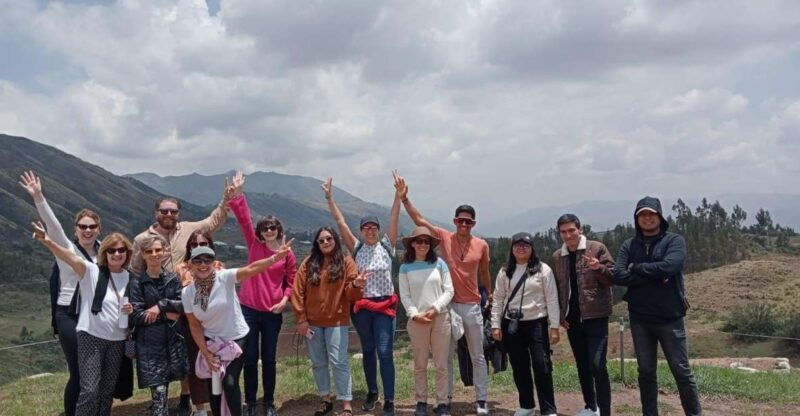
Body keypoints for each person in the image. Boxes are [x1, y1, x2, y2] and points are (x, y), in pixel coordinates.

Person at [395, 173, 492, 414]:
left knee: (477, 354)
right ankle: (444, 400)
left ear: (474, 224)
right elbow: (419, 219)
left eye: (468, 222)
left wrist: (488, 294)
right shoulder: (444, 237)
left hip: (470, 304)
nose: (463, 225)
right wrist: (405, 199)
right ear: (454, 221)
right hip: (446, 308)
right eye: (460, 220)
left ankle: (481, 399)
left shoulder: (481, 245)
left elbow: (485, 273)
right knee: (445, 358)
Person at [18, 170, 102, 416]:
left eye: (92, 226)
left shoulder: (107, 252)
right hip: (69, 314)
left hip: (94, 314)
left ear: (99, 229)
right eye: (83, 226)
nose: (87, 230)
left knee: (94, 372)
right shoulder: (66, 249)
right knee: (79, 370)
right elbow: (53, 227)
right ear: (75, 229)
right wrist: (38, 197)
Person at [31, 222, 134, 416]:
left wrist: (131, 310)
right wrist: (47, 241)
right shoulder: (91, 271)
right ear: (105, 252)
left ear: (127, 253)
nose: (117, 254)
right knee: (90, 390)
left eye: (121, 250)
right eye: (111, 250)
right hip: (91, 338)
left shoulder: (130, 277)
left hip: (117, 340)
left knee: (106, 391)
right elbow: (69, 257)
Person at [183, 238, 293, 416]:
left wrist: (275, 258)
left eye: (207, 260)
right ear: (190, 265)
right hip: (212, 340)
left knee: (229, 381)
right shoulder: (187, 293)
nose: (203, 265)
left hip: (237, 337)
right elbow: (194, 325)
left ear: (213, 262)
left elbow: (251, 269)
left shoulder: (224, 277)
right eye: (198, 261)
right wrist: (205, 352)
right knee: (214, 384)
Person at [613, 197, 702, 416]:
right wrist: (655, 274)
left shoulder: (674, 241)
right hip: (640, 318)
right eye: (643, 214)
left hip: (670, 317)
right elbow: (619, 275)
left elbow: (671, 266)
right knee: (645, 371)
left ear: (660, 216)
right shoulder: (629, 244)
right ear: (637, 219)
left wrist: (637, 267)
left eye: (652, 214)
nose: (647, 218)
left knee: (681, 371)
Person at [321, 176, 400, 415]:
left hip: (385, 306)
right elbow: (339, 221)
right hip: (362, 308)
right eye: (366, 228)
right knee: (368, 350)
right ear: (361, 231)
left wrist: (398, 195)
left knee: (385, 352)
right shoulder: (355, 247)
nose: (370, 231)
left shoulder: (388, 245)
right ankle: (372, 392)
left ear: (379, 230)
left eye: (374, 227)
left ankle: (389, 399)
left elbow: (394, 217)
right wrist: (329, 198)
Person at [227, 171, 298, 416]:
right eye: (265, 228)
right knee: (249, 358)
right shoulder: (255, 245)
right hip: (248, 309)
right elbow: (244, 219)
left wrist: (285, 300)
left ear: (279, 230)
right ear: (261, 231)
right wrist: (238, 193)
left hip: (272, 311)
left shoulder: (287, 253)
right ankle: (251, 403)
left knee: (269, 358)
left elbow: (292, 280)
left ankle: (268, 402)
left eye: (273, 227)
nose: (269, 231)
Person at [291, 227, 367, 416]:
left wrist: (356, 285)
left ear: (335, 240)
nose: (325, 242)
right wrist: (301, 318)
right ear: (317, 243)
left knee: (338, 361)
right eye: (321, 240)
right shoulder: (309, 263)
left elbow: (351, 294)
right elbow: (297, 291)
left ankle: (346, 403)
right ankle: (325, 399)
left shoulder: (346, 262)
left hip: (337, 321)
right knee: (318, 363)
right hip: (312, 323)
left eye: (329, 239)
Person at [491, 232, 560, 416]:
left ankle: (548, 409)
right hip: (512, 324)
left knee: (542, 365)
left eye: (525, 245)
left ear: (532, 249)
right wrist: (495, 325)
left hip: (536, 323)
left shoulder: (543, 270)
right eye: (517, 245)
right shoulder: (505, 271)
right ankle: (526, 405)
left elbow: (552, 298)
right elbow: (497, 299)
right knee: (520, 367)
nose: (521, 248)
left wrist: (554, 326)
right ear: (512, 249)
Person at [552, 214, 614, 416]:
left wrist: (598, 268)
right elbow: (560, 289)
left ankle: (604, 411)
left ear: (580, 229)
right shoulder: (558, 256)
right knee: (582, 365)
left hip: (596, 316)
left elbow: (612, 278)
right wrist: (561, 316)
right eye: (563, 232)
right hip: (572, 320)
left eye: (572, 230)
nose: (568, 235)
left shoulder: (596, 248)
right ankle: (590, 406)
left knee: (597, 365)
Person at [129, 234, 189, 416]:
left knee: (168, 388)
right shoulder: (136, 284)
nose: (154, 254)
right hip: (150, 346)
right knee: (160, 395)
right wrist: (168, 314)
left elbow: (184, 305)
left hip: (173, 343)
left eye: (158, 250)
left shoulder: (173, 279)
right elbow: (136, 316)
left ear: (164, 252)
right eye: (149, 251)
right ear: (143, 254)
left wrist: (159, 307)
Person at [398, 226, 454, 416]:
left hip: (440, 318)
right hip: (417, 320)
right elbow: (404, 296)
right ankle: (421, 401)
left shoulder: (440, 264)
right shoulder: (404, 268)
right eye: (419, 241)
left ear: (430, 245)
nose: (422, 244)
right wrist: (415, 314)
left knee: (441, 364)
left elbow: (449, 290)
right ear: (412, 244)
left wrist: (435, 309)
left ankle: (442, 402)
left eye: (426, 242)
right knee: (420, 364)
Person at [130, 180, 232, 276]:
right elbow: (135, 271)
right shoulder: (141, 239)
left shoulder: (189, 229)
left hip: (186, 289)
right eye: (164, 211)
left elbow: (214, 221)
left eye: (173, 211)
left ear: (178, 214)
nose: (169, 214)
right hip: (157, 291)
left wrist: (226, 198)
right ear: (156, 213)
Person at [175, 230, 223, 416]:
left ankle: (218, 403)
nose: (199, 247)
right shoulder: (182, 268)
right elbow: (189, 289)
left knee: (218, 364)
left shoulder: (219, 266)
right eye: (194, 245)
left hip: (216, 324)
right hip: (192, 323)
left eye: (203, 243)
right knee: (196, 365)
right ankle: (200, 408)